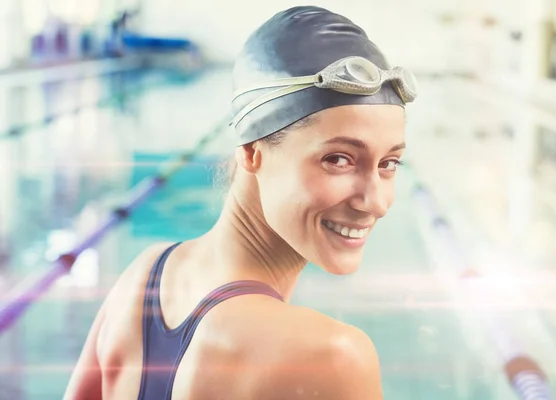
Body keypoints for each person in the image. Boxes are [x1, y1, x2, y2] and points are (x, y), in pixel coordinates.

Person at [64, 5, 417, 400]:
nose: (377, 202)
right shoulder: (331, 357)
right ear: (251, 152)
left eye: (389, 164)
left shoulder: (144, 276)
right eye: (338, 159)